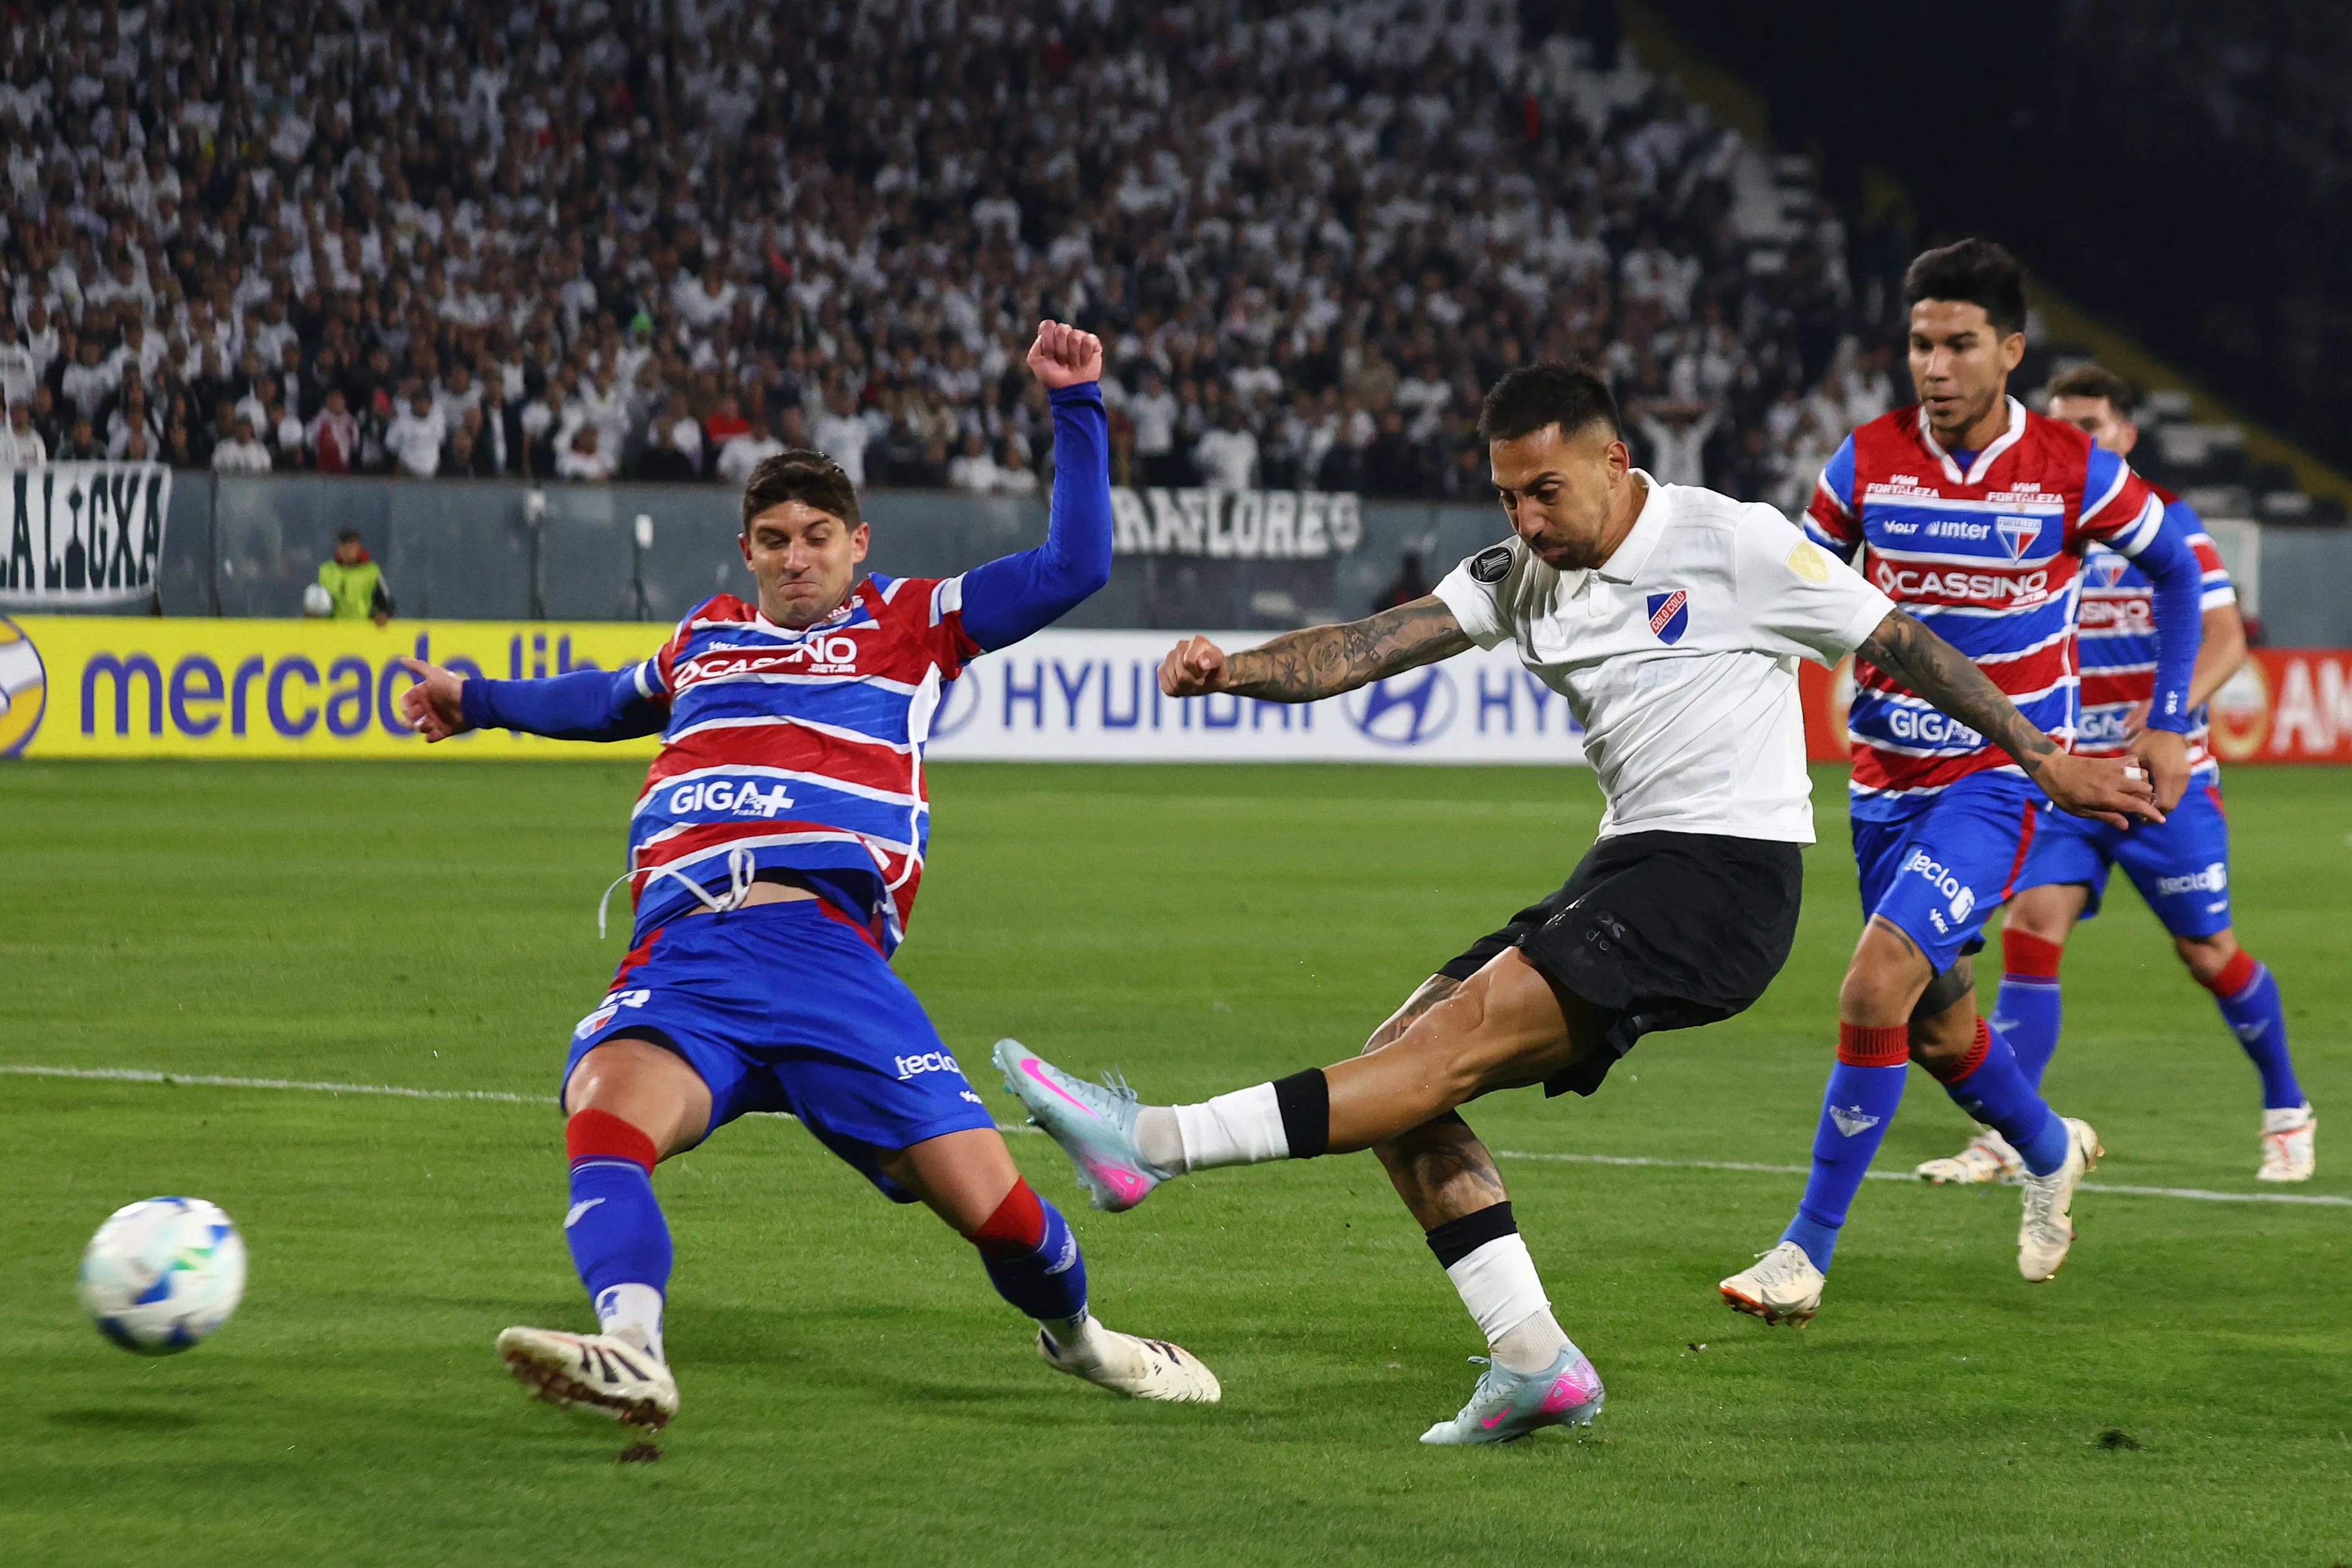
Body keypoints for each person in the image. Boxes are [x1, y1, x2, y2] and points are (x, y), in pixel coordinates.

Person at [997, 360, 2154, 1445]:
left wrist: (2044, 760)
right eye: (1505, 497)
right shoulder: (1521, 572)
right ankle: (1532, 1357)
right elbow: (1370, 643)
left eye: (1544, 490)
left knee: (1439, 1052)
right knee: (1398, 1068)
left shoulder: (1732, 542)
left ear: (1616, 461)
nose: (1525, 521)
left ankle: (1149, 1145)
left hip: (1723, 878)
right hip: (1626, 864)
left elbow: (1898, 640)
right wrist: (1233, 668)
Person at [393, 322, 1217, 1432]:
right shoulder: (703, 641)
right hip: (685, 951)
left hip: (827, 951)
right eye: (774, 538)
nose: (795, 556)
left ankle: (1084, 1341)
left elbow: (1076, 567)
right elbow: (601, 702)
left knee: (996, 1211)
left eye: (817, 536)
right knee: (603, 1116)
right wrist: (477, 698)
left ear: (855, 543)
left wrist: (1076, 405)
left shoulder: (915, 622)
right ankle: (632, 1347)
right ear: (747, 551)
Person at [1719, 240, 2211, 1327]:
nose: (1933, 367)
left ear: (2010, 351)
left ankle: (1804, 1253)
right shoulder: (1861, 463)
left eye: (1957, 345)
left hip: (2000, 776)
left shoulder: (2069, 469)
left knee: (1868, 987)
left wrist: (2167, 719)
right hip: (1881, 778)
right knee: (1940, 1033)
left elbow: (2175, 565)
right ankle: (2048, 1148)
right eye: (1917, 345)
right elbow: (1798, 593)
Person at [1919, 366, 2315, 1185]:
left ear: (2125, 437)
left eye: (2091, 425)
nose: (2076, 439)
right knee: (2032, 930)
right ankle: (2007, 1135)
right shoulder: (2037, 526)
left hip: (2167, 783)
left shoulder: (2165, 522)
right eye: (2061, 424)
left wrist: (2170, 718)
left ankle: (2285, 1107)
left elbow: (2225, 639)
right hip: (2073, 780)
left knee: (2208, 954)